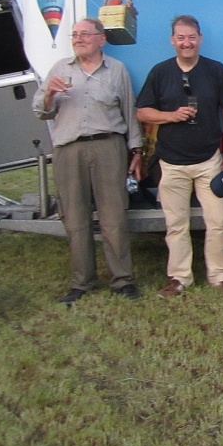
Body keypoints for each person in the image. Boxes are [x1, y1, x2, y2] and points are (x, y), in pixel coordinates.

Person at [33, 18, 143, 305]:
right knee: (75, 217)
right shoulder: (60, 69)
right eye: (74, 35)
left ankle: (122, 280)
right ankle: (82, 282)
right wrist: (49, 93)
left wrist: (136, 150)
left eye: (85, 34)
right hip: (69, 150)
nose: (78, 39)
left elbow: (129, 112)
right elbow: (40, 111)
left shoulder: (116, 70)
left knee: (114, 216)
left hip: (109, 147)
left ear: (101, 39)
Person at [136, 15, 223, 297]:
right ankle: (180, 277)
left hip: (209, 161)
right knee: (176, 225)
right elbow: (142, 112)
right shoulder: (160, 72)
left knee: (218, 222)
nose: (187, 43)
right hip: (171, 162)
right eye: (181, 37)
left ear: (200, 39)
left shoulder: (215, 70)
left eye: (192, 37)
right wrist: (171, 116)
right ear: (172, 40)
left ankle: (219, 276)